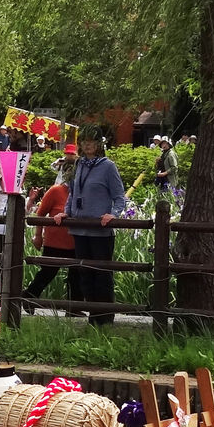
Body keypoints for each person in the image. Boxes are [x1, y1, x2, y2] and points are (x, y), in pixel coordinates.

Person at [59, 128, 126, 326]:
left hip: (100, 231)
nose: (87, 145)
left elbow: (119, 196)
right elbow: (73, 192)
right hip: (80, 228)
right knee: (85, 274)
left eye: (92, 142)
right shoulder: (79, 164)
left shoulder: (108, 166)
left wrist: (114, 214)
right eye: (84, 142)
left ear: (99, 145)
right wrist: (67, 211)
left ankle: (104, 318)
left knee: (102, 275)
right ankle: (93, 317)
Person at [24, 154, 78, 313]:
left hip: (75, 240)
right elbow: (40, 214)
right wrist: (38, 235)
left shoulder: (81, 193)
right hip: (55, 240)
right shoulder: (55, 191)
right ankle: (29, 296)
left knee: (76, 273)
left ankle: (74, 307)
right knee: (48, 272)